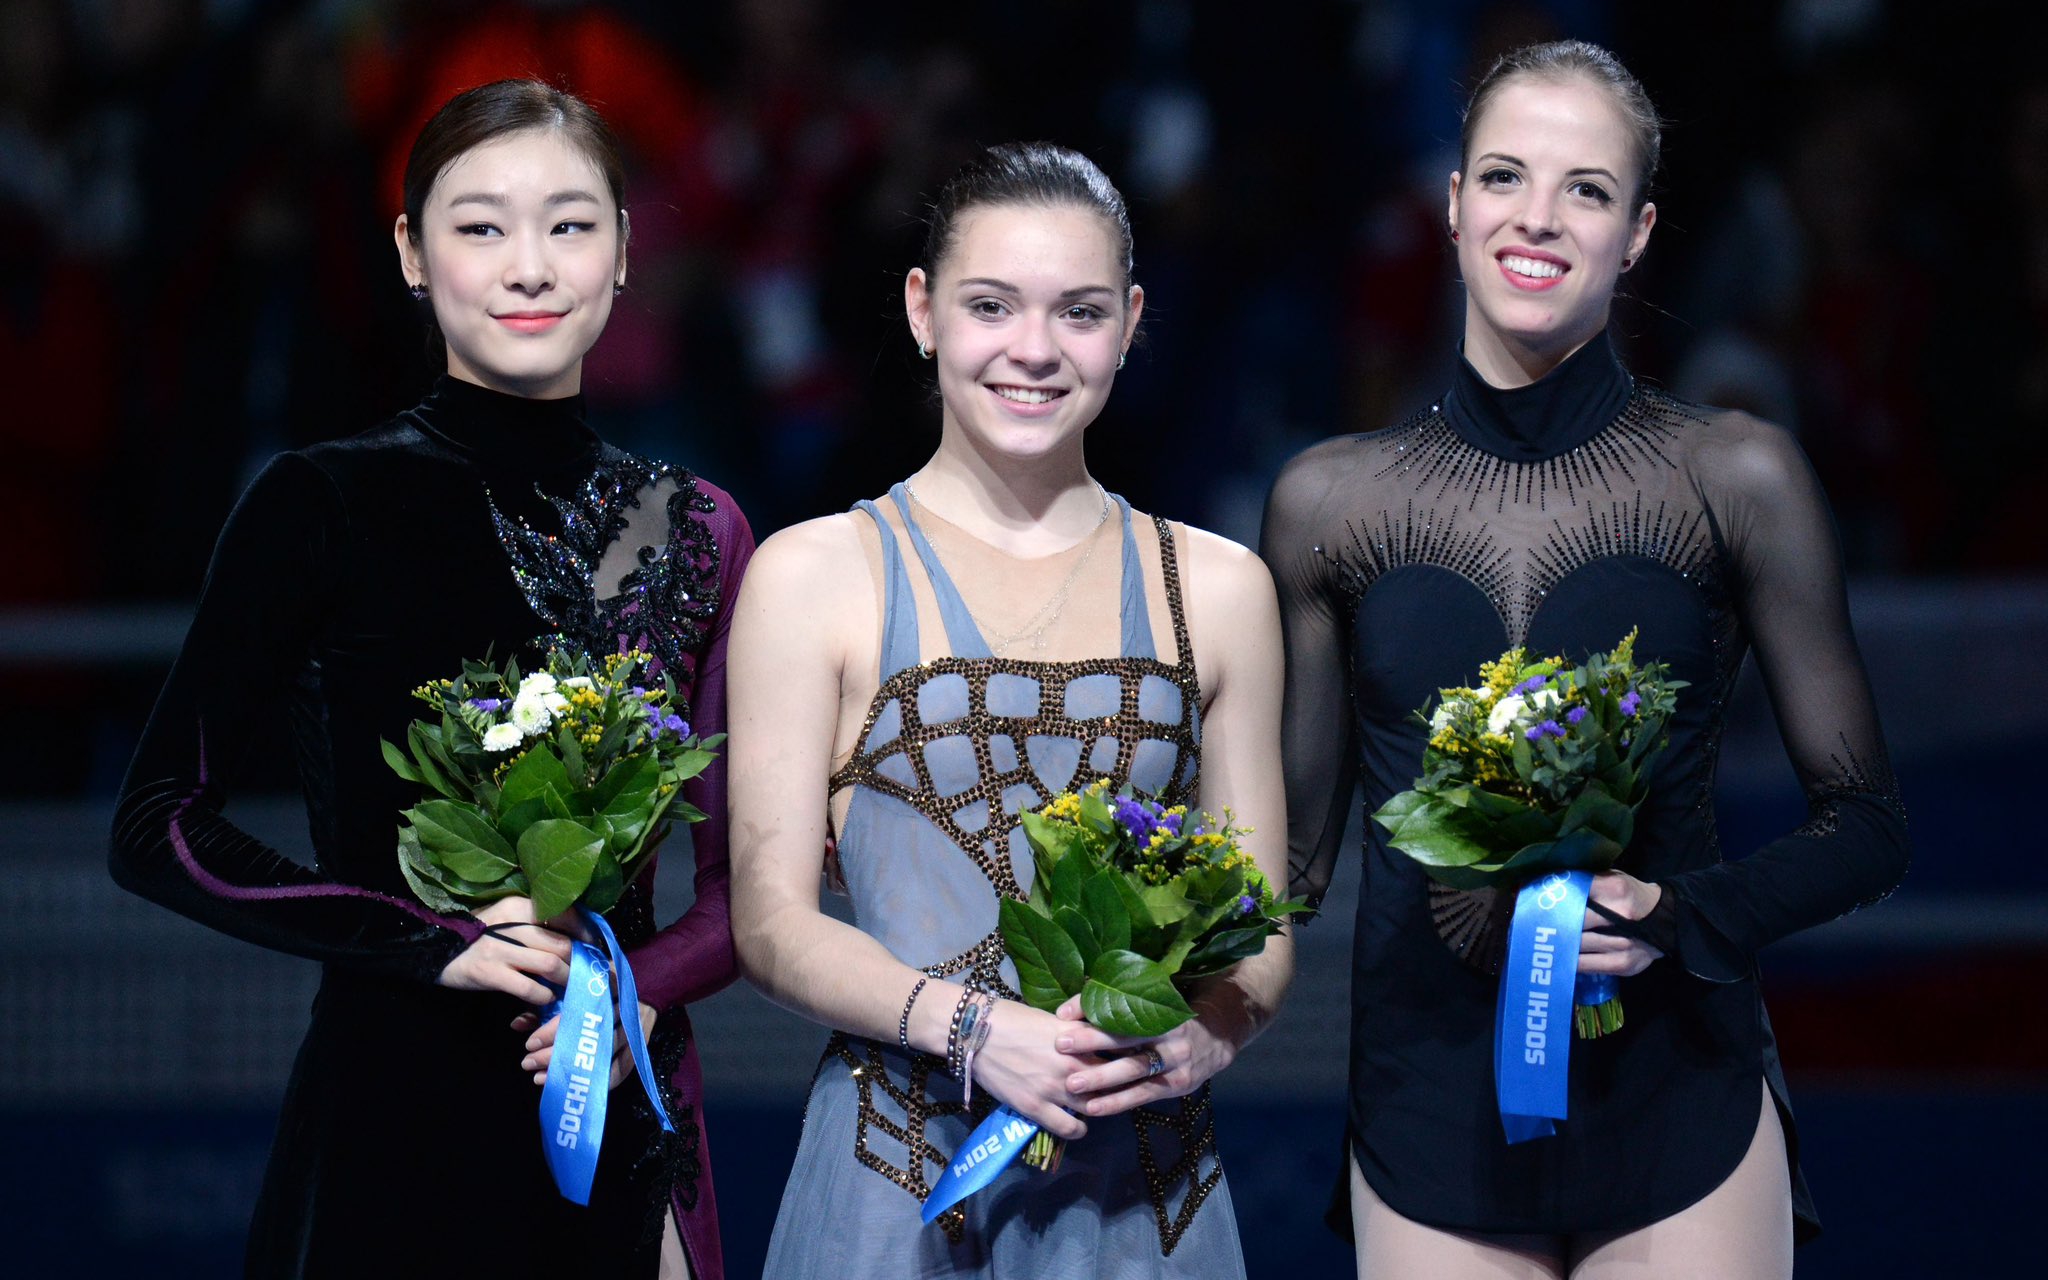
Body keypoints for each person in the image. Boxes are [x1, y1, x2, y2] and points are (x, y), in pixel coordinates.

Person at [1261, 41, 1910, 1279]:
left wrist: (1680, 916)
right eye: (1505, 176)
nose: (1538, 218)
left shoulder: (1733, 477)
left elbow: (1866, 825)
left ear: (1637, 234)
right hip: (1425, 1116)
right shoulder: (1326, 504)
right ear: (1453, 204)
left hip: (1678, 1102)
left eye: (1587, 190)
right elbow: (1288, 868)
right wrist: (1127, 972)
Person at [110, 79, 753, 1279]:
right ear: (411, 252)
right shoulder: (320, 501)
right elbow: (157, 825)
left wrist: (630, 991)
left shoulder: (696, 528)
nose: (530, 266)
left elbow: (739, 894)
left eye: (570, 224)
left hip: (612, 1108)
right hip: (390, 1118)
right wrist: (427, 940)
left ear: (623, 251)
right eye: (481, 225)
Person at [728, 143, 1292, 1276]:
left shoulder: (1220, 588)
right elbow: (769, 922)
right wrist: (975, 1029)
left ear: (1130, 324)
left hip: (1143, 1197)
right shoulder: (812, 574)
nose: (1033, 349)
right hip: (894, 1185)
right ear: (921, 310)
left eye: (1078, 312)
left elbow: (1260, 927)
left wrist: (1201, 1036)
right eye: (990, 306)